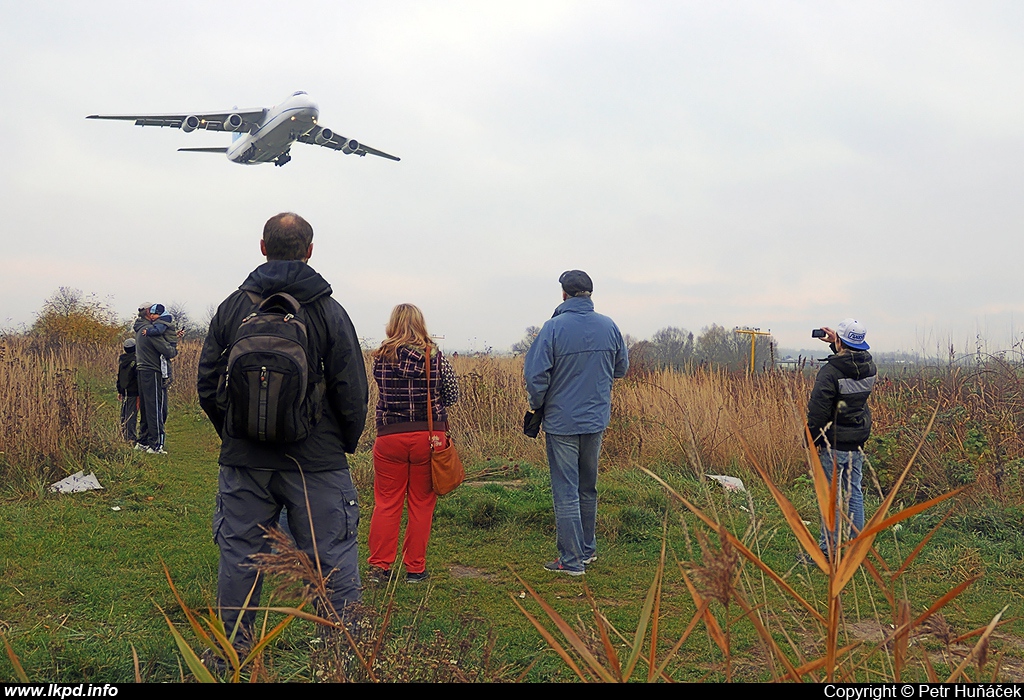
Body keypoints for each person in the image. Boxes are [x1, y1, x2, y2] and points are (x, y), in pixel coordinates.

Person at [197, 212, 368, 640]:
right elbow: (352, 390)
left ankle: (229, 658)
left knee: (240, 560)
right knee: (331, 561)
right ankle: (344, 657)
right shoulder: (328, 309)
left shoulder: (233, 307)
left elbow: (206, 382)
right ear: (310, 251)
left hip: (244, 463)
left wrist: (237, 432)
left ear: (262, 247)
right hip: (317, 463)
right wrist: (339, 443)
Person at [524, 270, 628, 575]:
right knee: (588, 487)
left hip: (561, 421)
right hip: (595, 419)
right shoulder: (610, 326)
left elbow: (535, 376)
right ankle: (587, 550)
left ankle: (570, 561)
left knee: (566, 489)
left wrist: (537, 404)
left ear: (564, 294)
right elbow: (621, 368)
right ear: (590, 294)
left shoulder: (553, 328)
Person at [366, 304, 459, 584]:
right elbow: (452, 395)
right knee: (421, 504)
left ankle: (380, 567)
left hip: (390, 435)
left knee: (386, 502)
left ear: (393, 324)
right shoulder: (436, 357)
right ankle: (415, 569)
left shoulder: (380, 358)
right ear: (421, 324)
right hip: (428, 438)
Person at [807, 318, 876, 557]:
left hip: (833, 442)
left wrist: (812, 440)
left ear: (840, 341)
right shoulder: (870, 368)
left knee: (830, 498)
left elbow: (818, 413)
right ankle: (857, 547)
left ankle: (827, 551)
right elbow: (850, 362)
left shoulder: (830, 373)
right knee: (854, 491)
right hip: (856, 441)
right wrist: (837, 343)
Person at [135, 303, 179, 454]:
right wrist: (173, 347)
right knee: (157, 408)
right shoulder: (151, 331)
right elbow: (168, 351)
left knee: (147, 408)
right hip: (153, 370)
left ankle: (143, 441)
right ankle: (156, 445)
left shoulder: (139, 328)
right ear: (148, 313)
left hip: (142, 369)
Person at [116, 338, 139, 443]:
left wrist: (120, 391)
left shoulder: (122, 359)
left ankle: (123, 435)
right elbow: (138, 378)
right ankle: (131, 438)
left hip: (124, 391)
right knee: (132, 415)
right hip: (134, 392)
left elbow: (120, 376)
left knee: (124, 414)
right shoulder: (137, 360)